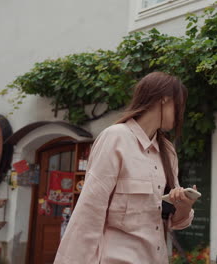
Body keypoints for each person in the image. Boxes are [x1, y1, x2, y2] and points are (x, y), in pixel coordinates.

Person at [54, 72, 196, 264]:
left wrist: (184, 207)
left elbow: (170, 220)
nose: (181, 113)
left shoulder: (168, 151)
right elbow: (89, 213)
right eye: (179, 105)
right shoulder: (116, 138)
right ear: (164, 99)